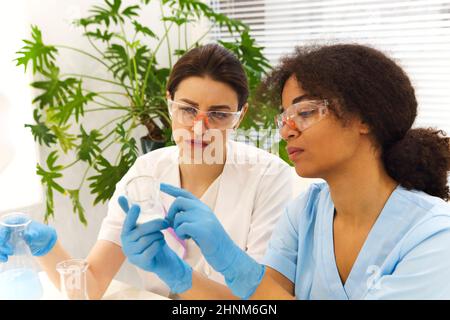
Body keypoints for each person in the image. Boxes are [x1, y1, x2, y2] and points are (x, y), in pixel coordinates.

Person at [121, 44, 450, 299]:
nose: (287, 130)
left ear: (365, 118)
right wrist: (178, 274)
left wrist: (233, 262)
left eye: (305, 112)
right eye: (284, 116)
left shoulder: (433, 235)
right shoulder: (304, 214)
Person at [0, 44, 294, 299]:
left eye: (218, 114)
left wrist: (182, 277)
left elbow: (264, 301)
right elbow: (91, 286)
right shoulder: (145, 172)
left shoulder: (269, 179)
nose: (199, 128)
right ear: (169, 103)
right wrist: (47, 247)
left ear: (239, 116)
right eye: (188, 109)